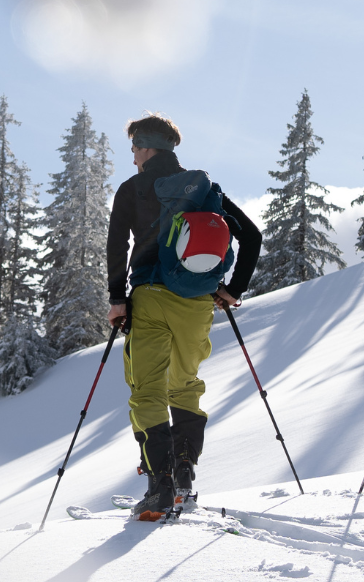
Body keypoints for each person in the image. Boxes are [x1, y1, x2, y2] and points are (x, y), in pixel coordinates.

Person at [104, 114, 261, 520]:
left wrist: (117, 299)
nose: (133, 156)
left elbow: (117, 245)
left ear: (145, 145)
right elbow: (252, 235)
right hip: (196, 301)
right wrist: (232, 288)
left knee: (148, 390)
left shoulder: (132, 188)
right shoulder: (203, 188)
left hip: (150, 296)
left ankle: (159, 486)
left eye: (134, 148)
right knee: (185, 386)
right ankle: (185, 475)